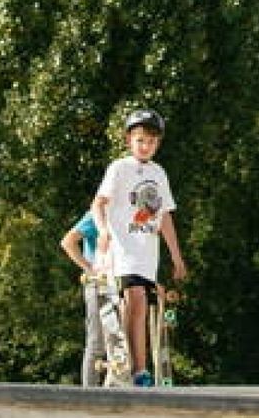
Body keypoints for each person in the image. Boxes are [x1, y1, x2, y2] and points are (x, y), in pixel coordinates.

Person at [91, 108, 188, 388]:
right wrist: (103, 231)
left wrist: (176, 256)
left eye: (152, 142)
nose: (146, 146)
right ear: (128, 140)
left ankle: (129, 367)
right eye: (141, 140)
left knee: (140, 308)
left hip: (147, 253)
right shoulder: (119, 168)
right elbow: (98, 204)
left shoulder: (159, 173)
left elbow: (165, 216)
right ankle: (137, 368)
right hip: (121, 250)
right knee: (134, 299)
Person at [60, 210, 106, 386]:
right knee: (96, 344)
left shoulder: (124, 212)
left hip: (120, 284)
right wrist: (89, 268)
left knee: (121, 346)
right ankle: (90, 397)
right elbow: (68, 241)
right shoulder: (96, 215)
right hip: (99, 284)